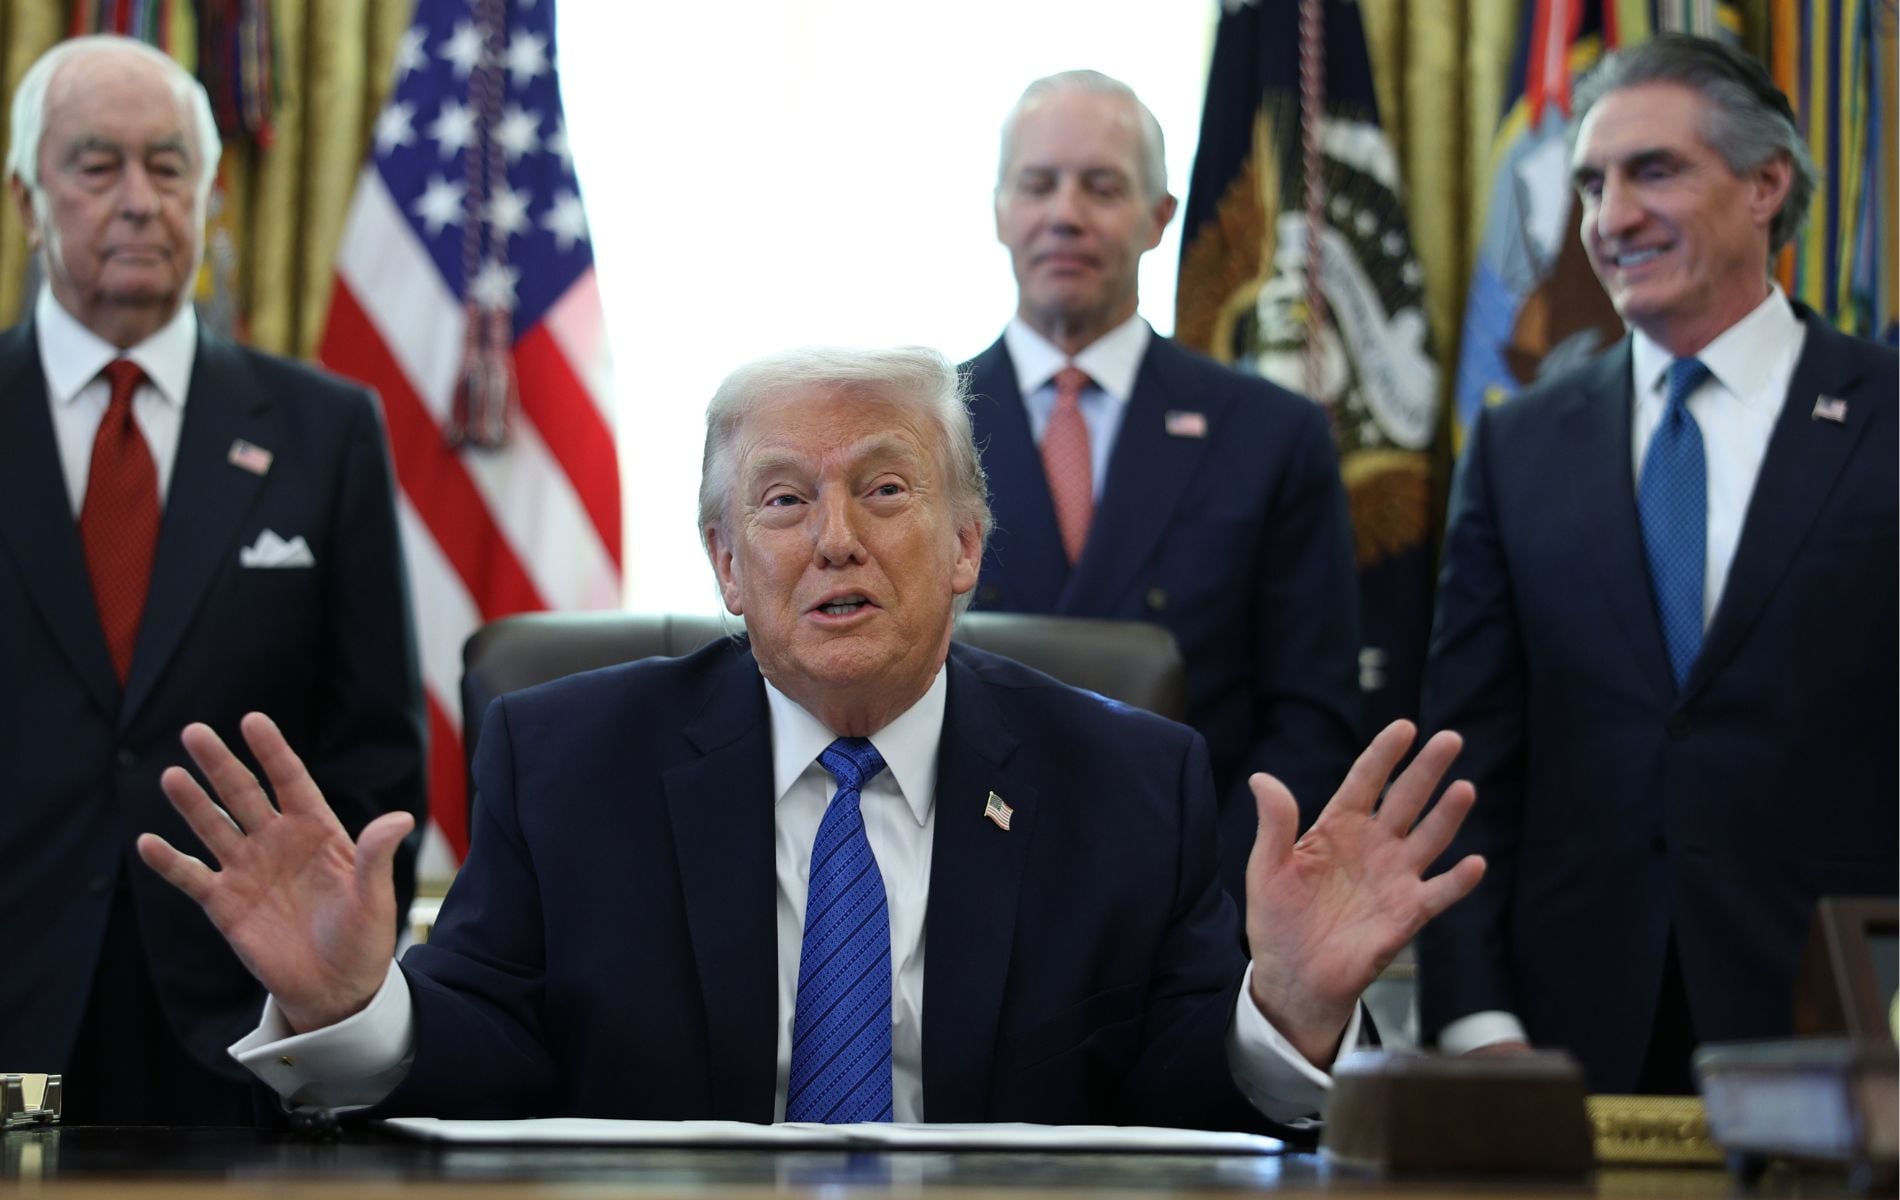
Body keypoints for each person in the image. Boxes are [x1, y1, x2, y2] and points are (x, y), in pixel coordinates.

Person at [138, 346, 1482, 1128]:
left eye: (885, 489)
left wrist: (1288, 1013)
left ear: (966, 547)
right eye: (783, 502)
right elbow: (496, 1052)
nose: (836, 539)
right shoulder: (568, 763)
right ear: (727, 564)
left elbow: (1177, 1098)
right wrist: (351, 1008)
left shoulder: (1130, 780)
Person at [1416, 34, 1897, 1095]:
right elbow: (1470, 761)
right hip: (1565, 1045)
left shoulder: (1887, 418)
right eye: (1592, 183)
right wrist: (1476, 1022)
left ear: (1766, 184)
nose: (1610, 217)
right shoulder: (1517, 444)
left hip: (1849, 1032)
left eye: (1653, 171)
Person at [0, 35, 425, 1123]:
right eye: (98, 166)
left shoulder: (326, 430)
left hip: (247, 1029)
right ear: (27, 199)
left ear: (211, 195)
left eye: (169, 165)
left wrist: (324, 998)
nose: (140, 201)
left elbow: (375, 748)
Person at [966, 70, 1362, 907]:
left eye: (1102, 186)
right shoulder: (920, 436)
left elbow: (1310, 715)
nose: (1065, 213)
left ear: (1159, 217)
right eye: (1037, 185)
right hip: (963, 897)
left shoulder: (1271, 435)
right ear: (999, 211)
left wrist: (1201, 901)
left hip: (1195, 905)